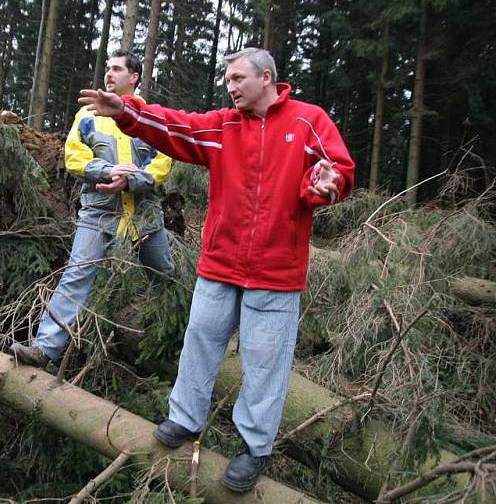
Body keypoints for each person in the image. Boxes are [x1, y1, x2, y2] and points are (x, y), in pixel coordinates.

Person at [78, 48, 355, 492]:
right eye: (227, 79)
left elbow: (335, 170)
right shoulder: (224, 126)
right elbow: (175, 126)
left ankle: (254, 447)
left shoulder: (308, 121)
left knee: (266, 362)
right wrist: (127, 112)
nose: (230, 86)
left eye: (238, 78)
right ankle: (184, 419)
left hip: (276, 271)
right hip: (221, 263)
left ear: (266, 77)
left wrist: (326, 185)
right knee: (200, 343)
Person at [11, 51, 174, 367]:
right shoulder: (87, 114)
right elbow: (74, 157)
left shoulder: (151, 115)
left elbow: (165, 159)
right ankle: (45, 349)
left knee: (163, 276)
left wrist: (132, 180)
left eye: (116, 69)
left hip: (145, 217)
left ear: (134, 77)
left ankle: (172, 340)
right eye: (107, 69)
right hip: (99, 214)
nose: (108, 74)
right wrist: (108, 171)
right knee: (77, 275)